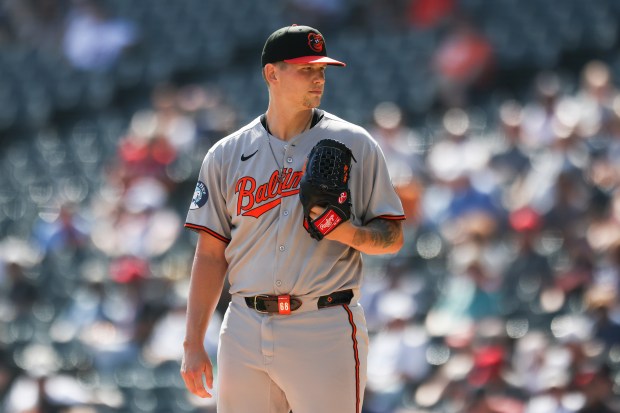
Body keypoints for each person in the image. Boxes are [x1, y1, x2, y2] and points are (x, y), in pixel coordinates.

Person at [180, 24, 406, 413]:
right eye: (306, 69)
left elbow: (393, 235)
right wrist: (193, 343)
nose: (318, 78)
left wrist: (347, 232)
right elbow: (210, 255)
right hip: (245, 325)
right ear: (272, 73)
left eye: (321, 70)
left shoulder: (355, 143)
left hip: (324, 324)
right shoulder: (226, 154)